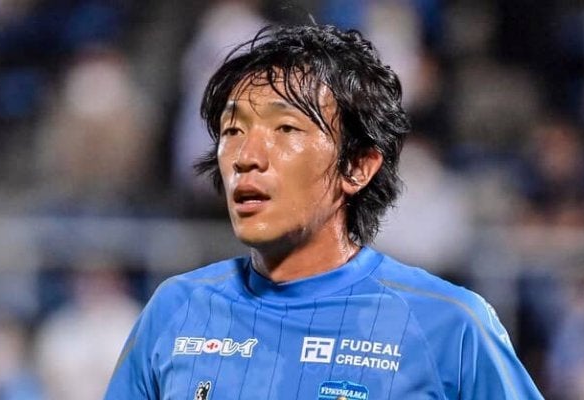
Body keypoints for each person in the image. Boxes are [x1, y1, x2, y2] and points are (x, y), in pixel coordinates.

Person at [105, 24, 542, 399]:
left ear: (357, 167)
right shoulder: (176, 310)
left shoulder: (449, 326)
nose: (246, 157)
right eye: (232, 129)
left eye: (285, 128)